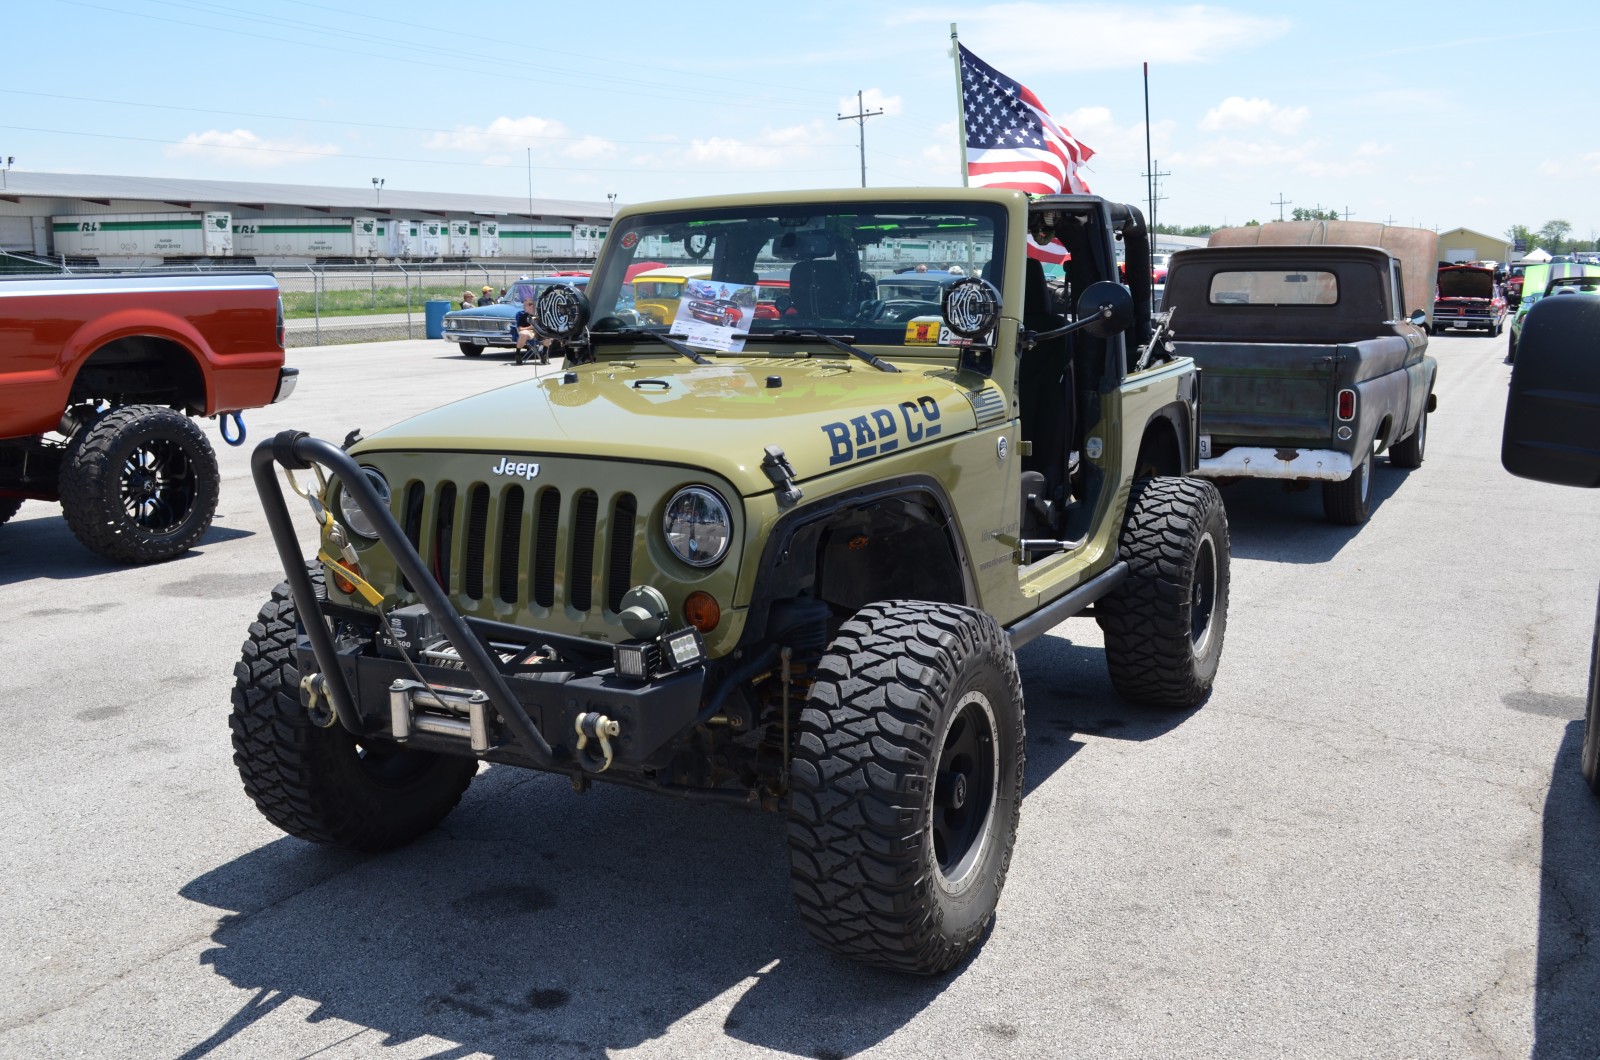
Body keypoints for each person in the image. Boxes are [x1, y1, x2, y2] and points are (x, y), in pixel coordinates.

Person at [512, 297, 549, 366]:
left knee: (549, 335)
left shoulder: (541, 314)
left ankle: (544, 354)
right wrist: (530, 327)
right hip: (529, 332)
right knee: (523, 334)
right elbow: (520, 329)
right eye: (528, 304)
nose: (531, 306)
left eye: (531, 304)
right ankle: (518, 354)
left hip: (539, 332)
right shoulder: (522, 315)